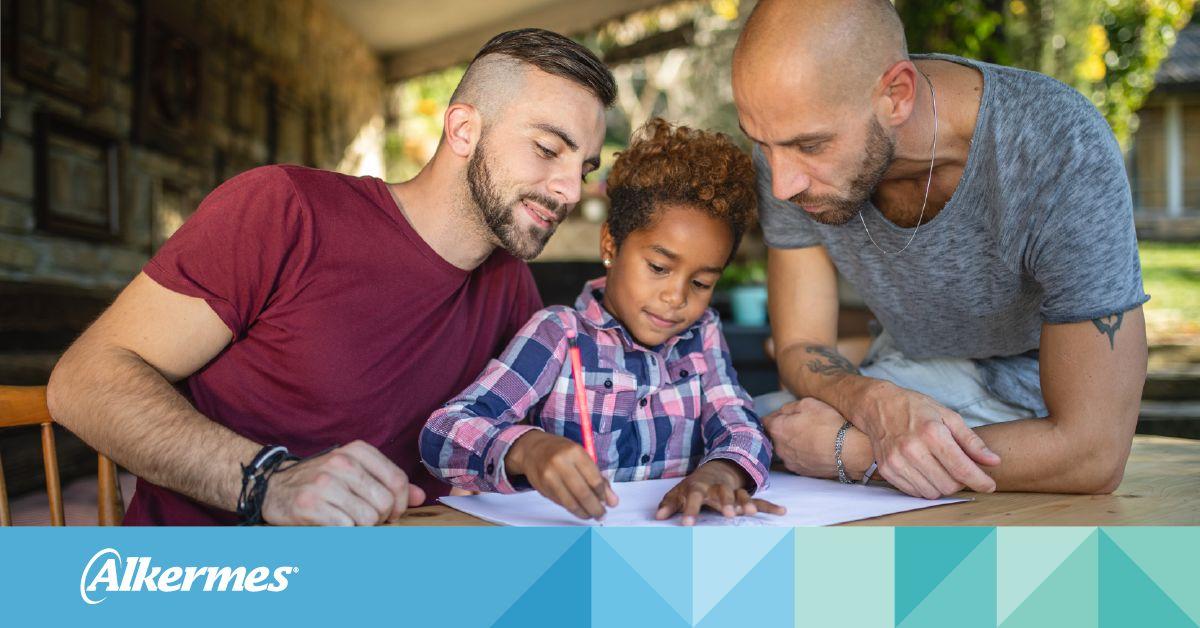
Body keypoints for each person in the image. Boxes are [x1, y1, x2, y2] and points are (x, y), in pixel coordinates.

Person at [45, 29, 614, 525]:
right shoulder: (282, 208)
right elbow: (83, 382)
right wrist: (270, 482)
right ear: (463, 130)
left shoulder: (509, 283)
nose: (569, 189)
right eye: (547, 149)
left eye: (583, 167)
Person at [731, 0, 1148, 498]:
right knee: (723, 438)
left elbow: (1094, 452)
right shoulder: (785, 142)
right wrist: (874, 404)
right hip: (893, 378)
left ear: (896, 95)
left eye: (811, 146)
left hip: (1024, 419)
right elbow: (801, 346)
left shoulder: (1055, 148)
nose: (782, 185)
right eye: (762, 143)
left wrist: (855, 452)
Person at [420, 119, 784, 526]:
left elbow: (742, 423)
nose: (677, 297)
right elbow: (444, 432)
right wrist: (528, 449)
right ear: (610, 243)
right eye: (659, 267)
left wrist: (724, 471)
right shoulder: (559, 334)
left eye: (701, 283)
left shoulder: (702, 335)